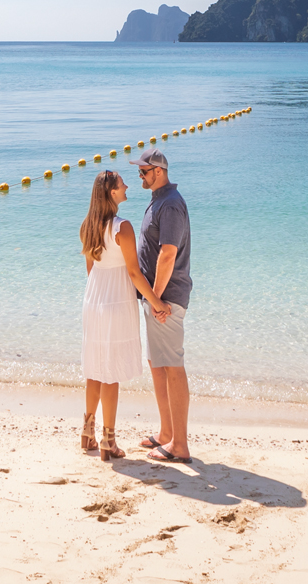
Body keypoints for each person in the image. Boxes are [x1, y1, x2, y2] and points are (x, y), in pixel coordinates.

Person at [78, 168, 157, 460]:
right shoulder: (122, 227)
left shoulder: (88, 225)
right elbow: (134, 274)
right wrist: (156, 302)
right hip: (116, 301)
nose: (127, 188)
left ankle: (87, 431)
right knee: (110, 374)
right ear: (112, 193)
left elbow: (91, 270)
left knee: (95, 369)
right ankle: (108, 440)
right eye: (122, 185)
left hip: (94, 299)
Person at [134, 149, 193, 461]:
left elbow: (168, 254)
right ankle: (166, 433)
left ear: (158, 170)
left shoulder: (170, 205)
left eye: (143, 172)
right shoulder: (159, 199)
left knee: (172, 367)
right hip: (155, 298)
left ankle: (180, 446)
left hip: (166, 299)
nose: (140, 177)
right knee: (157, 365)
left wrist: (156, 299)